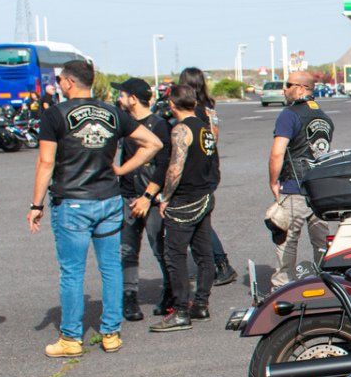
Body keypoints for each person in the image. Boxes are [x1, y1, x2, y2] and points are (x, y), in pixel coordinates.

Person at [28, 60, 162, 357]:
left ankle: (71, 338)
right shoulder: (112, 113)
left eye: (61, 80)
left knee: (73, 271)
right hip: (108, 200)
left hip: (72, 201)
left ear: (69, 83)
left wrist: (36, 204)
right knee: (111, 267)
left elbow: (46, 162)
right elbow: (152, 143)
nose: (60, 84)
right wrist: (121, 169)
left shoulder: (54, 114)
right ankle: (111, 333)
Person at [150, 82, 219, 332]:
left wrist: (165, 197)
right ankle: (201, 304)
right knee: (203, 253)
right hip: (204, 195)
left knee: (175, 255)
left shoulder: (181, 130)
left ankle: (180, 310)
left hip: (185, 199)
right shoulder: (205, 128)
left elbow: (175, 168)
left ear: (171, 104)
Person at [268, 72, 335, 288]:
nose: (283, 90)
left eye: (287, 85)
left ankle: (282, 287)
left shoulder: (289, 114)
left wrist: (273, 181)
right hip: (321, 189)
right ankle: (326, 283)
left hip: (295, 187)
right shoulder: (324, 116)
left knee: (287, 240)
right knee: (321, 242)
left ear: (300, 88)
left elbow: (278, 152)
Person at [113, 78, 172, 322]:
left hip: (151, 199)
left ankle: (170, 293)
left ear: (133, 99)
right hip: (127, 197)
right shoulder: (124, 123)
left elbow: (164, 166)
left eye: (122, 95)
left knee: (160, 249)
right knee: (127, 250)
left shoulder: (158, 125)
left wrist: (148, 197)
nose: (119, 99)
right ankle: (129, 298)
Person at [172, 67, 236, 286]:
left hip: (195, 170)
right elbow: (213, 138)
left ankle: (220, 264)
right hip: (210, 165)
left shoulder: (193, 112)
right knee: (201, 218)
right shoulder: (209, 108)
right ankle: (214, 265)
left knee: (195, 220)